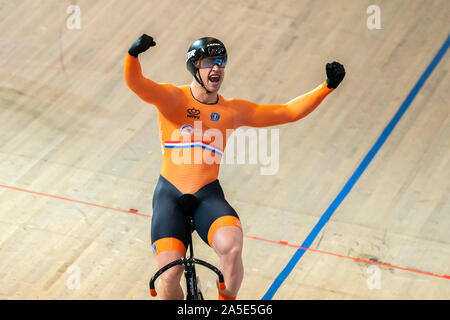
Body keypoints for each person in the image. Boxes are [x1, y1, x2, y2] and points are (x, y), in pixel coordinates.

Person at [124, 34, 345, 300]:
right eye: (209, 62)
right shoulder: (173, 98)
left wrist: (326, 87)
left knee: (233, 249)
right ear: (194, 67)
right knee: (170, 275)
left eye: (221, 61)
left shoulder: (232, 111)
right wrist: (133, 55)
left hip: (207, 195)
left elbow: (287, 112)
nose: (216, 68)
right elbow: (136, 83)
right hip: (169, 196)